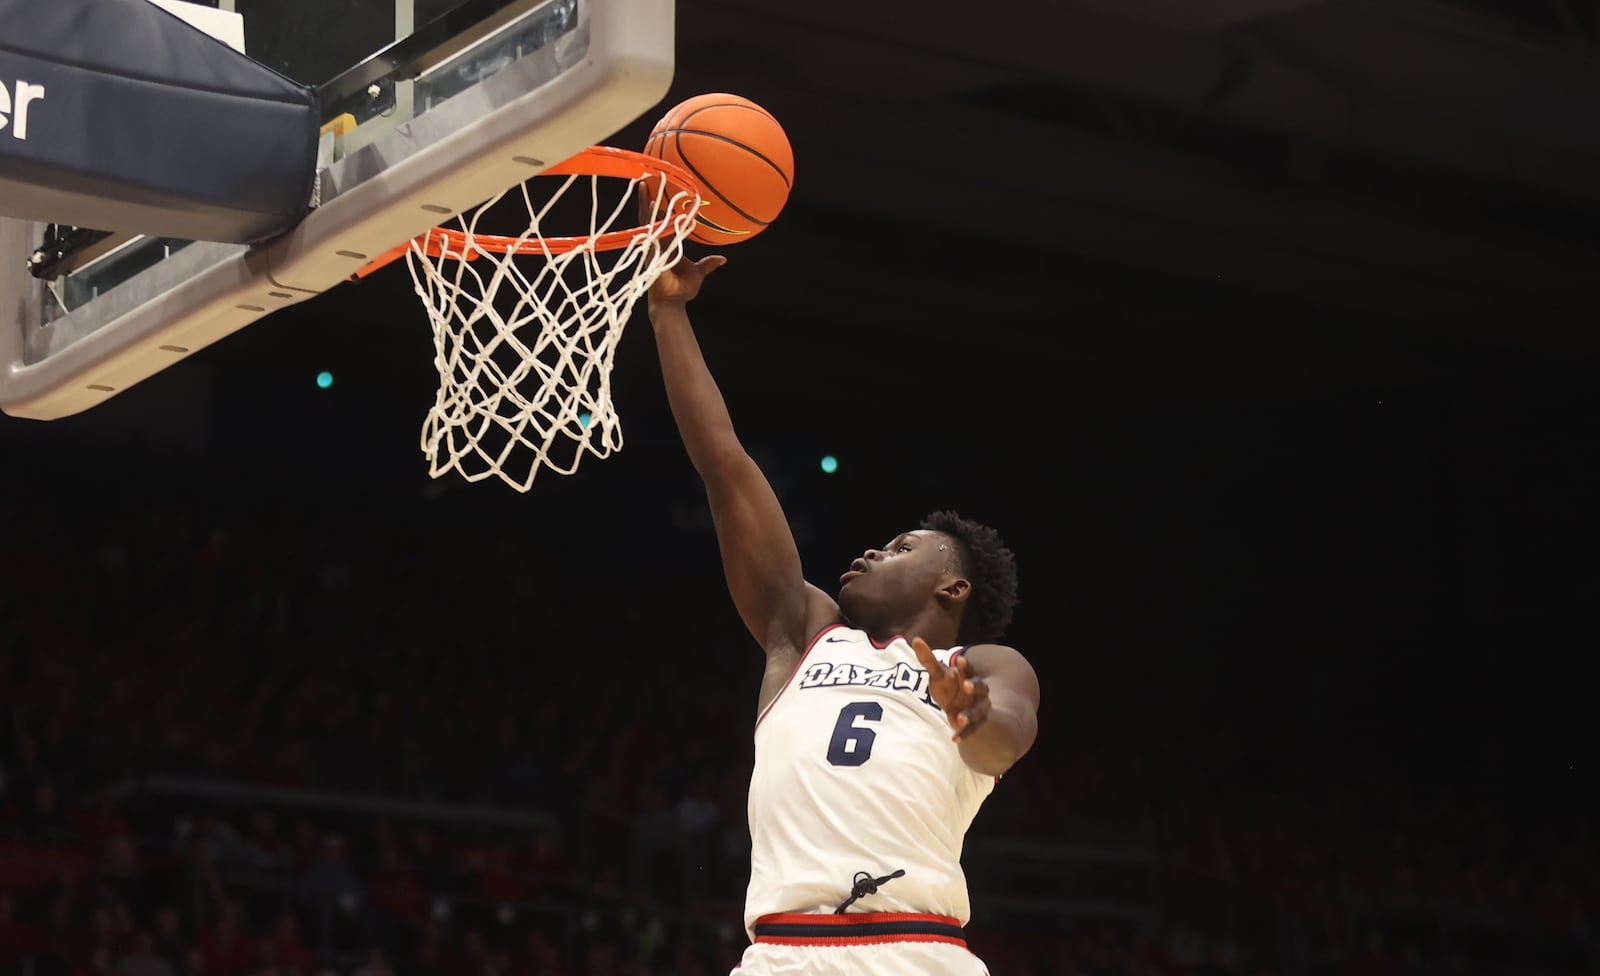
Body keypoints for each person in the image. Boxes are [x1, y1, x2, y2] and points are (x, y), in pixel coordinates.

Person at [645, 254, 1041, 975]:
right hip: (782, 957)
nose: (869, 550)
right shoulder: (800, 635)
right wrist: (669, 315)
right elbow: (724, 462)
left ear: (951, 589)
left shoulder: (981, 668)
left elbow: (1003, 742)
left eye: (900, 548)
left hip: (916, 953)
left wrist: (971, 715)